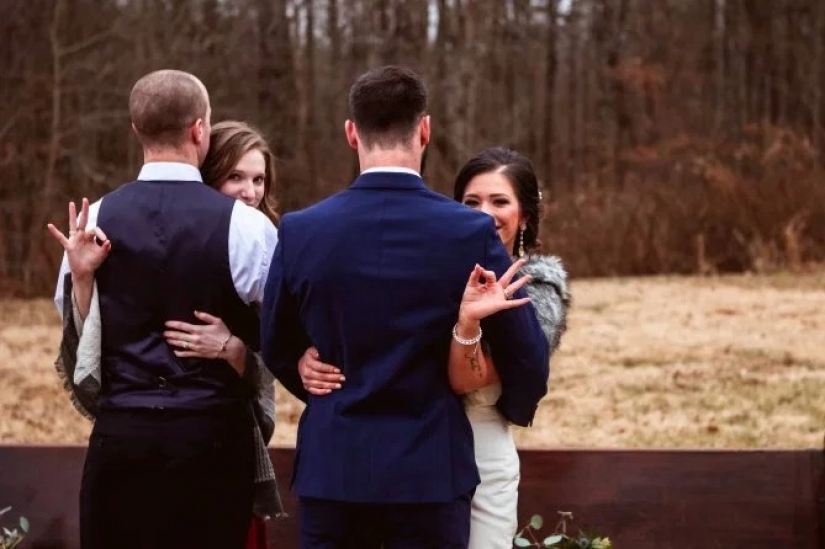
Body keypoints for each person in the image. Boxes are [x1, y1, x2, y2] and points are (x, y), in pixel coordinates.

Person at [259, 65, 550, 549]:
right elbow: (526, 354)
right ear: (425, 130)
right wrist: (511, 407)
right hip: (429, 474)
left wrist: (307, 374)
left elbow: (275, 341)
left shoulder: (301, 229)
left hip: (335, 469)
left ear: (352, 133)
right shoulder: (468, 233)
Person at [47, 70, 278, 549]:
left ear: (136, 130)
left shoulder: (95, 220)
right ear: (200, 129)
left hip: (123, 441)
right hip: (213, 443)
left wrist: (84, 279)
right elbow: (283, 329)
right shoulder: (248, 227)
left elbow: (76, 338)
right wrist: (237, 347)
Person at [299, 146, 570, 549]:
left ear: (525, 216)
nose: (484, 214)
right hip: (415, 452)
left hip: (480, 450)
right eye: (471, 202)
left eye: (500, 201)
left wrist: (468, 321)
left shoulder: (538, 291)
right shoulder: (437, 268)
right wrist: (307, 354)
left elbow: (468, 381)